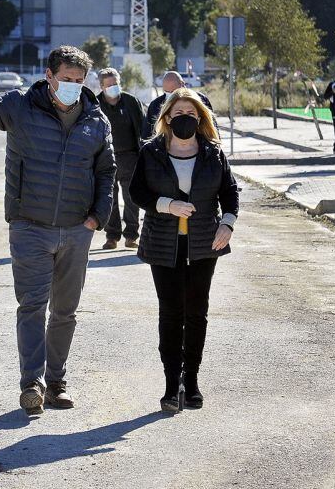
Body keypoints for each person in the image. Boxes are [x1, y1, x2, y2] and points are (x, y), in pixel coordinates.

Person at [0, 45, 115, 417]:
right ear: (49, 75)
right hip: (30, 226)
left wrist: (96, 219)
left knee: (66, 311)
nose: (72, 86)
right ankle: (32, 383)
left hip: (77, 229)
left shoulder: (96, 120)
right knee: (32, 306)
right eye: (65, 79)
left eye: (78, 81)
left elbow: (107, 172)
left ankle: (57, 382)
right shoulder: (19, 106)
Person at [130, 88, 239, 414]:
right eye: (178, 115)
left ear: (201, 118)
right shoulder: (151, 152)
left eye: (191, 115)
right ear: (166, 118)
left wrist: (228, 224)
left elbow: (230, 193)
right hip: (163, 244)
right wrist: (167, 205)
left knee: (196, 314)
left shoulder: (214, 153)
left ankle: (190, 382)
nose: (184, 120)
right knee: (170, 313)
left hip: (204, 244)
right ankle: (170, 385)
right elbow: (137, 192)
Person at [97, 68, 147, 250]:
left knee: (131, 197)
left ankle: (132, 235)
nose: (113, 88)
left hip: (130, 157)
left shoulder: (131, 101)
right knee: (109, 198)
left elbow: (143, 127)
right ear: (102, 87)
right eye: (109, 85)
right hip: (105, 158)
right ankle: (112, 236)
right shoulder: (95, 104)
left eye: (115, 84)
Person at [145, 71, 213, 137]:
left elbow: (212, 128)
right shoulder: (155, 105)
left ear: (182, 84)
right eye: (167, 92)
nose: (170, 95)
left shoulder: (200, 100)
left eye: (173, 92)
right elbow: (147, 133)